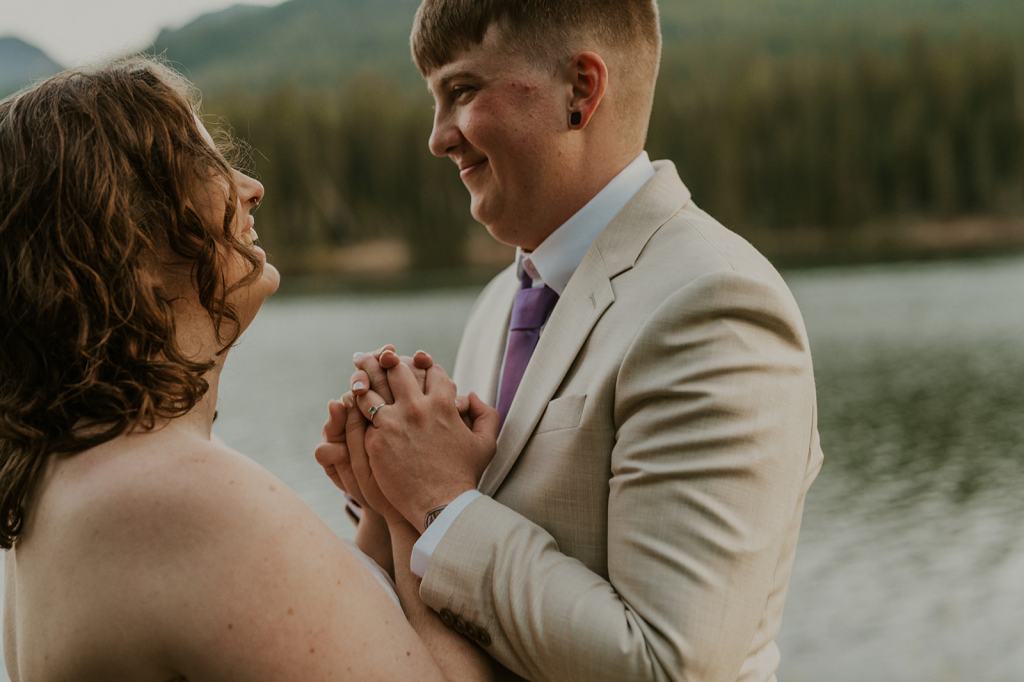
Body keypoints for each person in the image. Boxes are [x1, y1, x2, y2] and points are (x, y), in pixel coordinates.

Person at [318, 1, 824, 680]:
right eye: (434, 100)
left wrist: (437, 501)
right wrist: (389, 489)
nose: (438, 137)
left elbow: (668, 666)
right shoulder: (503, 299)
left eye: (462, 92)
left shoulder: (714, 303)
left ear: (580, 91)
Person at [0, 58, 494, 681]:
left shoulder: (73, 480)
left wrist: (382, 508)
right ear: (125, 234)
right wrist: (437, 501)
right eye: (207, 166)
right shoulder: (172, 498)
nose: (250, 186)